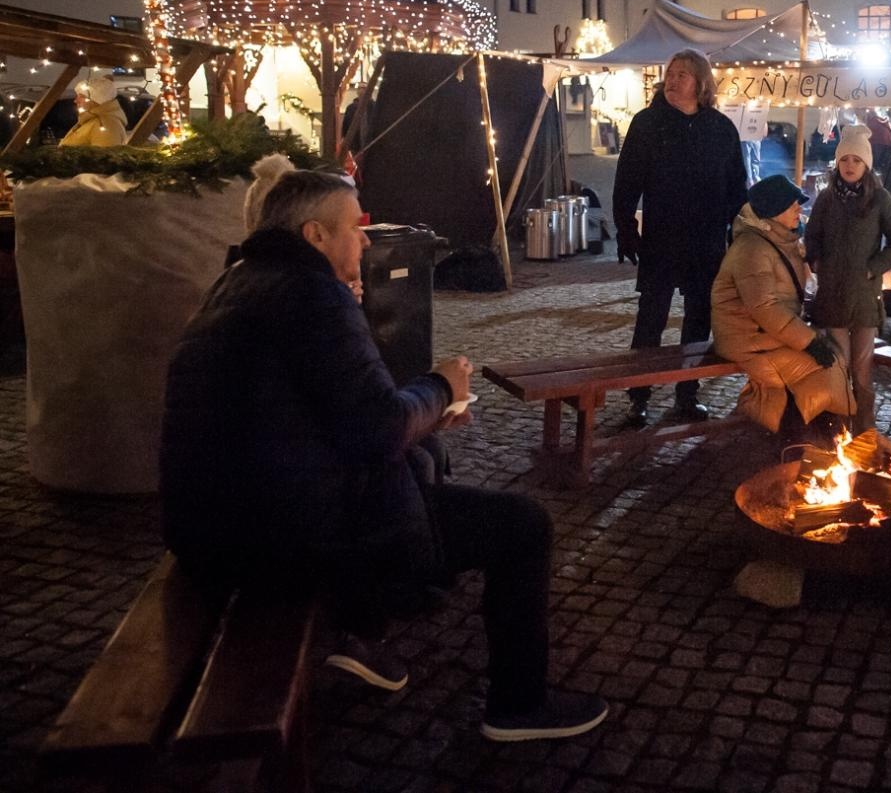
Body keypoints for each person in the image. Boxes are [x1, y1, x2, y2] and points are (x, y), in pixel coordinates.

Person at [160, 169, 607, 742]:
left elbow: (324, 415)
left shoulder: (239, 282)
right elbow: (378, 428)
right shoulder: (310, 294)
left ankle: (356, 626)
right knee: (523, 526)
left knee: (423, 459)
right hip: (275, 541)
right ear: (316, 235)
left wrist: (422, 416)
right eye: (357, 226)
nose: (367, 240)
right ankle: (517, 706)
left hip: (213, 527)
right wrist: (442, 387)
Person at [613, 49, 748, 427]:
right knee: (651, 319)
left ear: (700, 83)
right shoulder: (647, 124)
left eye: (682, 75)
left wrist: (740, 234)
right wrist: (626, 228)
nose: (673, 81)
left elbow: (737, 188)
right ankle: (638, 396)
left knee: (698, 320)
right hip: (661, 239)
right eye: (670, 74)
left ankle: (687, 392)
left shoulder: (721, 129)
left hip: (705, 241)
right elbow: (627, 182)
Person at [711, 175, 852, 438]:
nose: (799, 208)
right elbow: (765, 308)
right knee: (824, 366)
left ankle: (813, 435)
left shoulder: (781, 241)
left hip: (767, 335)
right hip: (746, 337)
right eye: (791, 204)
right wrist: (809, 341)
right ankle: (806, 437)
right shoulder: (752, 249)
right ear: (773, 212)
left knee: (829, 361)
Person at [804, 125, 891, 433]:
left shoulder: (880, 198)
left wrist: (873, 267)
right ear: (837, 163)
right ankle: (838, 428)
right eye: (845, 159)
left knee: (862, 372)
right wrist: (816, 259)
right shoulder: (826, 198)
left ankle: (864, 430)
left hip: (864, 297)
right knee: (838, 366)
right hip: (832, 296)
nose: (850, 166)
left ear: (866, 165)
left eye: (856, 160)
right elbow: (813, 235)